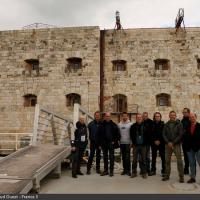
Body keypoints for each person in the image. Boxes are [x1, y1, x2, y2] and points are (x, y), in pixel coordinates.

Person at [162, 111, 184, 183]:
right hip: (168, 144)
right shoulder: (166, 124)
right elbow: (164, 134)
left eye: (173, 115)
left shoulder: (179, 124)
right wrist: (168, 142)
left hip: (176, 144)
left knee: (179, 161)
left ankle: (181, 177)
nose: (172, 116)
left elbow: (180, 135)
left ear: (175, 116)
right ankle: (167, 176)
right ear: (169, 116)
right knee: (167, 161)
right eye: (171, 115)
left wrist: (173, 142)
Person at [98, 112, 120, 177]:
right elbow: (98, 135)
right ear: (104, 117)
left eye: (108, 116)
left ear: (110, 117)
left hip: (111, 143)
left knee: (111, 157)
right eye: (106, 116)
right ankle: (105, 171)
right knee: (105, 157)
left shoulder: (114, 125)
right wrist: (99, 144)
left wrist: (114, 141)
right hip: (104, 144)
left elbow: (118, 135)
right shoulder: (101, 125)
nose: (107, 117)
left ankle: (111, 171)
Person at [130, 113, 149, 179]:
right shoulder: (133, 126)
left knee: (143, 159)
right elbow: (131, 135)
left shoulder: (145, 126)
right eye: (138, 117)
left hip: (143, 146)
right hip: (135, 145)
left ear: (142, 118)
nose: (139, 118)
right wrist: (133, 143)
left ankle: (144, 172)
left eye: (140, 117)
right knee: (134, 160)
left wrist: (145, 143)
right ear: (136, 118)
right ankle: (134, 172)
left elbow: (147, 135)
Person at [185, 113, 200, 183]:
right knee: (191, 163)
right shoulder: (187, 126)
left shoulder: (199, 126)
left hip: (198, 148)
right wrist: (186, 146)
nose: (192, 118)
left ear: (196, 117)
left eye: (193, 117)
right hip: (189, 149)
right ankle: (193, 178)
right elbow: (185, 137)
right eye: (190, 117)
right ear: (189, 119)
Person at [149, 112, 165, 176]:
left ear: (160, 117)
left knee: (163, 158)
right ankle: (153, 170)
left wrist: (159, 141)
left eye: (158, 116)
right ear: (154, 117)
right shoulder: (152, 124)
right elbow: (150, 134)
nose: (157, 117)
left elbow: (164, 134)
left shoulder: (163, 124)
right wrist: (154, 140)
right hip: (154, 143)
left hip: (161, 143)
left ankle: (164, 171)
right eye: (156, 116)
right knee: (153, 157)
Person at [181, 108, 190, 175]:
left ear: (188, 113)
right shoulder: (182, 121)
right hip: (184, 141)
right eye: (183, 112)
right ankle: (186, 168)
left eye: (185, 112)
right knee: (186, 156)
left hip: (191, 141)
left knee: (193, 156)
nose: (184, 113)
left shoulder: (191, 119)